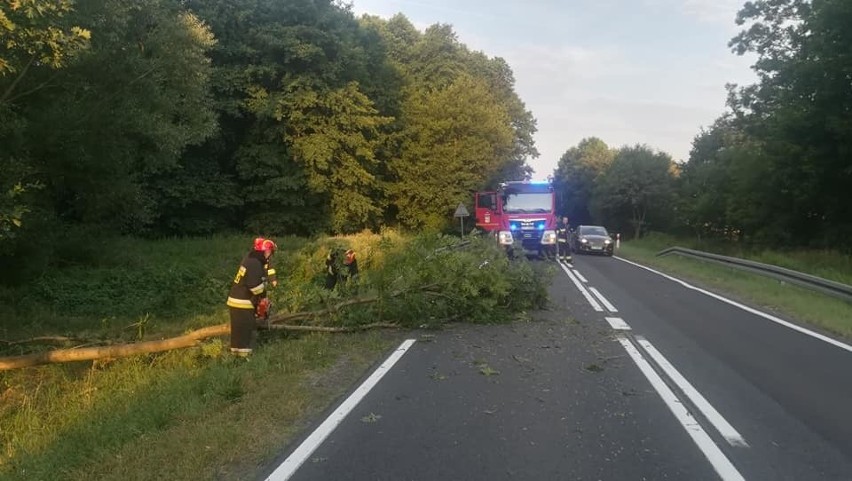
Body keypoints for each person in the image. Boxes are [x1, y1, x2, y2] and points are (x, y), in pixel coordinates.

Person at [226, 237, 277, 356]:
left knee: (238, 331)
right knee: (245, 330)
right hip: (243, 301)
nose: (270, 256)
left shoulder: (250, 259)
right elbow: (254, 286)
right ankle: (245, 358)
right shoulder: (255, 263)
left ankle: (235, 356)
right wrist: (263, 296)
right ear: (267, 251)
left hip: (238, 299)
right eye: (271, 253)